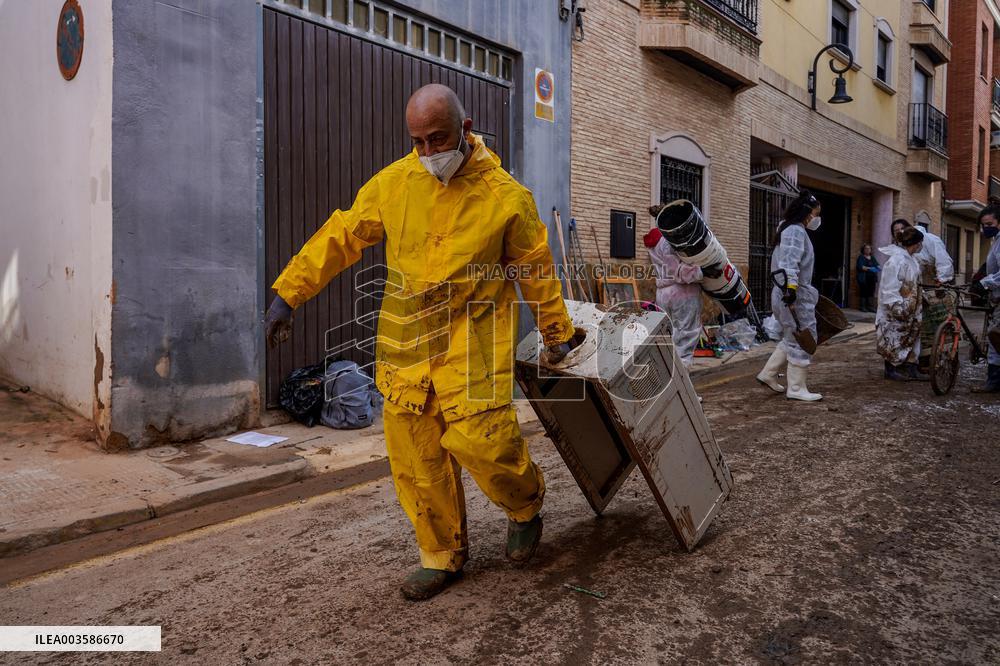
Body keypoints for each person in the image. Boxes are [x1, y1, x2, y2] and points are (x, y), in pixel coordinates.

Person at [265, 84, 582, 601]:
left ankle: (525, 506)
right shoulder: (395, 183)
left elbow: (536, 270)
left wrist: (557, 333)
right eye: (419, 142)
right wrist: (288, 294)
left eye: (440, 138)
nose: (431, 153)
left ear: (467, 128)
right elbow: (343, 234)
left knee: (487, 444)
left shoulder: (507, 198)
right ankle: (441, 554)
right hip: (406, 345)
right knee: (417, 461)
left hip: (471, 342)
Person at [756, 190, 824, 401]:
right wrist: (792, 290)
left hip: (787, 292)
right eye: (816, 213)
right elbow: (789, 263)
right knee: (801, 338)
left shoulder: (789, 229)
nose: (817, 218)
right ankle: (796, 388)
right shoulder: (795, 231)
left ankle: (768, 373)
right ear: (807, 213)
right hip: (792, 294)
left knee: (790, 336)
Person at [643, 210, 721, 367]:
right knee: (684, 344)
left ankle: (670, 383)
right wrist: (702, 271)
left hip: (664, 294)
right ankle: (680, 389)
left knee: (671, 339)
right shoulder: (667, 241)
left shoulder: (654, 241)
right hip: (682, 294)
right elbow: (678, 271)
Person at [892, 217, 955, 373]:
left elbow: (944, 262)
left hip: (933, 289)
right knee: (913, 328)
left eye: (901, 230)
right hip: (911, 293)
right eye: (895, 231)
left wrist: (941, 280)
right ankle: (909, 361)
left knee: (932, 326)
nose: (899, 233)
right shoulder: (898, 254)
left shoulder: (931, 241)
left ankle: (927, 360)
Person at [876, 226, 925, 381]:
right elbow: (889, 288)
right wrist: (897, 307)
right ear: (916, 244)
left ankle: (911, 368)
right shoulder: (896, 261)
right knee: (892, 337)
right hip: (896, 308)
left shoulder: (912, 260)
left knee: (912, 337)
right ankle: (890, 370)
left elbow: (915, 283)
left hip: (911, 307)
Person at [970, 204, 1000, 392]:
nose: (985, 228)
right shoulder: (996, 241)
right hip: (996, 297)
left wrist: (985, 283)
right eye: (983, 225)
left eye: (989, 224)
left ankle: (994, 381)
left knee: (996, 338)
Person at [855, 244, 880, 312]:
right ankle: (862, 306)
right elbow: (861, 267)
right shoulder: (861, 257)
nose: (868, 250)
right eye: (866, 248)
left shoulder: (872, 257)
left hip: (872, 278)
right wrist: (870, 268)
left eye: (869, 248)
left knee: (871, 292)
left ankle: (870, 307)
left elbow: (878, 266)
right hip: (864, 278)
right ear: (863, 249)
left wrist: (877, 268)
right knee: (864, 292)